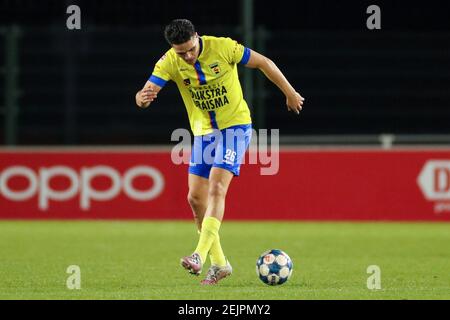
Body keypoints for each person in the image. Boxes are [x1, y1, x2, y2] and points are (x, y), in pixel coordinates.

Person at [135, 19, 304, 285]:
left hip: (235, 127)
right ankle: (220, 264)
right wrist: (142, 99)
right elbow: (146, 91)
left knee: (216, 187)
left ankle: (199, 255)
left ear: (197, 37)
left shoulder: (223, 48)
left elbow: (263, 62)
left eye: (191, 49)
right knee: (195, 198)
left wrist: (290, 92)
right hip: (203, 134)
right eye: (181, 53)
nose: (188, 56)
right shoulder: (169, 61)